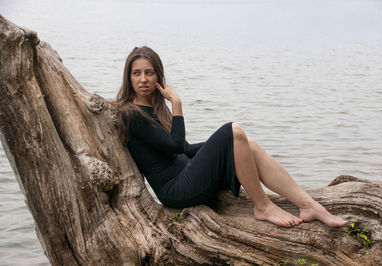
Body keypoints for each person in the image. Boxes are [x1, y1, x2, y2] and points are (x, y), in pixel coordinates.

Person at [115, 46, 348, 227]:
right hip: (177, 191)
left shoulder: (155, 109)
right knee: (233, 131)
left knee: (245, 143)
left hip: (189, 175)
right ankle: (263, 206)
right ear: (129, 77)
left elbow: (183, 148)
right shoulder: (131, 114)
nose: (143, 79)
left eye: (149, 72)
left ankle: (308, 205)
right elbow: (176, 147)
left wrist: (229, 149)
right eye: (136, 73)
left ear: (158, 76)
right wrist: (177, 104)